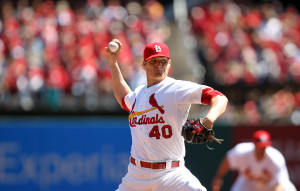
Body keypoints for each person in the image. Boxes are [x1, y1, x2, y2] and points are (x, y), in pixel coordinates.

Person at [106, 39, 228, 191]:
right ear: (144, 64)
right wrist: (113, 64)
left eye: (163, 61)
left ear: (169, 63)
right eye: (154, 61)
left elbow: (219, 97)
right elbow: (123, 98)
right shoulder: (138, 94)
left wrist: (208, 119)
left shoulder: (176, 89)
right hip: (137, 175)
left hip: (172, 175)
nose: (159, 65)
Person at [211, 130, 297, 191]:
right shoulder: (242, 151)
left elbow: (281, 184)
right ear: (254, 144)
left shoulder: (275, 158)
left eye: (264, 146)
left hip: (271, 186)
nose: (262, 148)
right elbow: (228, 160)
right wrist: (218, 177)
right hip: (248, 184)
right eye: (260, 146)